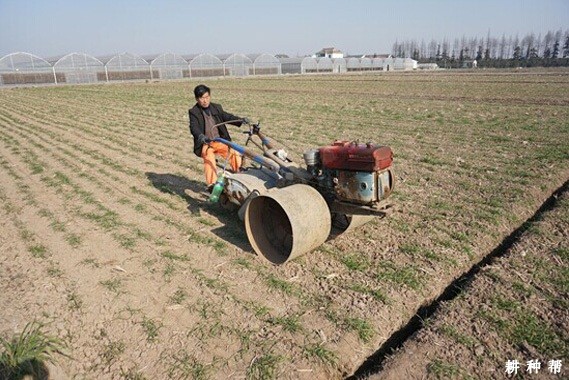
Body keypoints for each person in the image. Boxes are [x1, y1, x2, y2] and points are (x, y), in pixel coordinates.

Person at [188, 84, 249, 190]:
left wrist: (241, 120)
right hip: (206, 143)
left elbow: (227, 116)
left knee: (234, 152)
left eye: (207, 97)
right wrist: (201, 136)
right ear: (197, 99)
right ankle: (212, 185)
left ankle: (240, 176)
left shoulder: (216, 107)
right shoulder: (194, 112)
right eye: (202, 98)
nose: (205, 101)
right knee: (209, 157)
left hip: (220, 141)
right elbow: (194, 127)